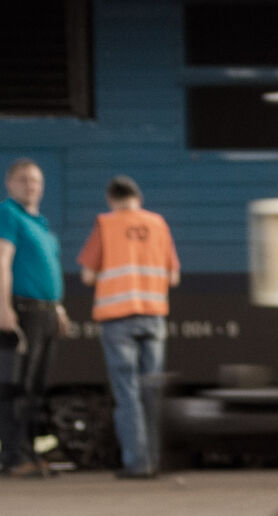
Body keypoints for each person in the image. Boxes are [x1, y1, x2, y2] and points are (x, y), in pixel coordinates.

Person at [77, 176, 180, 478]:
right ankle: (156, 460)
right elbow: (173, 277)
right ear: (138, 197)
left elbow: (86, 275)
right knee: (153, 392)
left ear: (111, 199)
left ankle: (137, 464)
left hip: (118, 318)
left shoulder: (105, 224)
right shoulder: (158, 224)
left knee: (128, 393)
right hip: (153, 317)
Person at [0, 158, 73, 479]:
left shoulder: (43, 225)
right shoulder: (5, 214)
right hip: (22, 312)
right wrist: (3, 306)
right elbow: (0, 260)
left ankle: (30, 452)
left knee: (36, 388)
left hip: (47, 313)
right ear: (9, 184)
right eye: (23, 180)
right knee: (15, 387)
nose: (30, 185)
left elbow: (46, 272)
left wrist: (58, 308)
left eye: (35, 180)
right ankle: (13, 456)